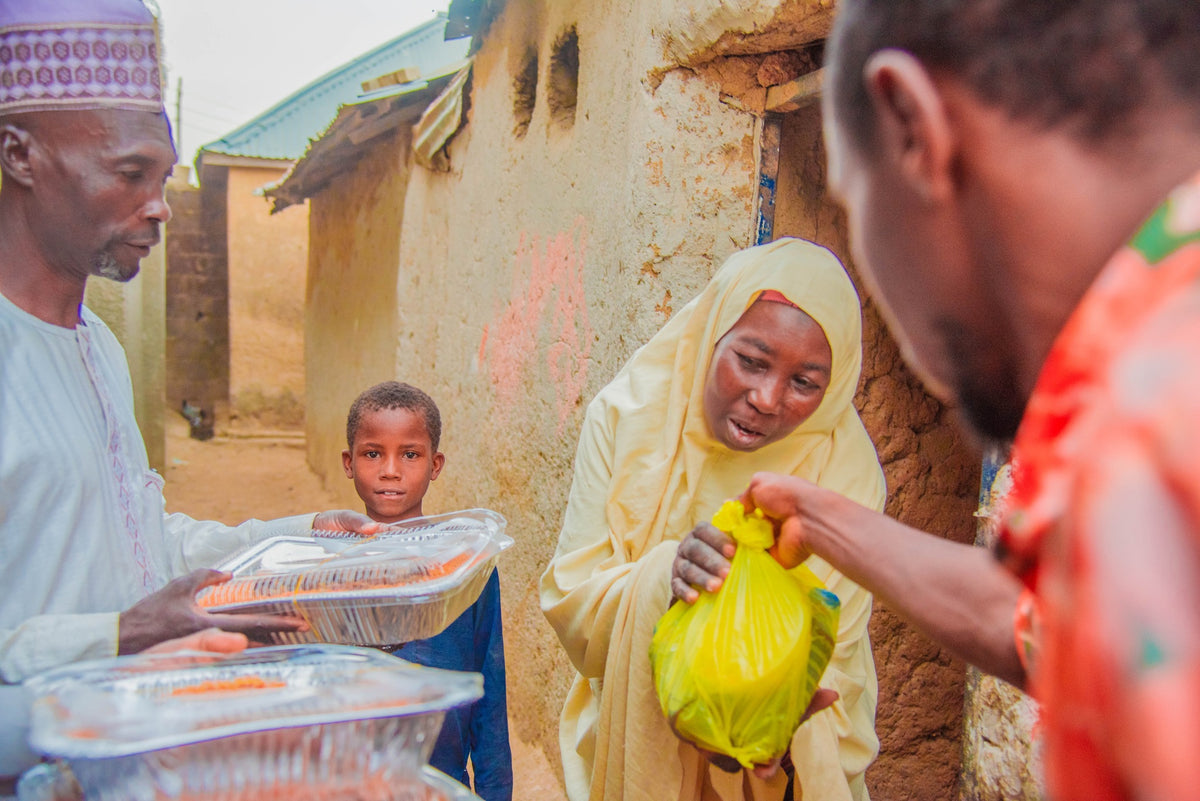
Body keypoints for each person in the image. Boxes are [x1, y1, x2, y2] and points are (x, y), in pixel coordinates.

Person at [677, 2, 1200, 800]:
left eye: (857, 209)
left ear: (912, 127)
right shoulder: (1149, 333)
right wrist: (821, 523)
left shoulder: (1152, 390)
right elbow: (1054, 624)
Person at [0, 0, 378, 787]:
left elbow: (137, 544)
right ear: (19, 154)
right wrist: (121, 637)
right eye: (129, 172)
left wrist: (296, 543)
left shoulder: (97, 349)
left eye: (163, 176)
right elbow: (120, 617)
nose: (159, 205)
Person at [540, 238, 885, 801]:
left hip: (778, 759)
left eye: (805, 383)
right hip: (636, 728)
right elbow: (573, 601)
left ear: (835, 384)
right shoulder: (628, 419)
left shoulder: (846, 471)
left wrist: (761, 714)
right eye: (750, 361)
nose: (768, 398)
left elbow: (834, 649)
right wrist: (662, 581)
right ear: (711, 337)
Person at [342, 381, 513, 801]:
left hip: (441, 779)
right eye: (372, 453)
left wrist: (495, 792)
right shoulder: (329, 567)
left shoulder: (464, 565)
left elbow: (489, 692)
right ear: (349, 462)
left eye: (410, 454)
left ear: (435, 464)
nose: (390, 470)